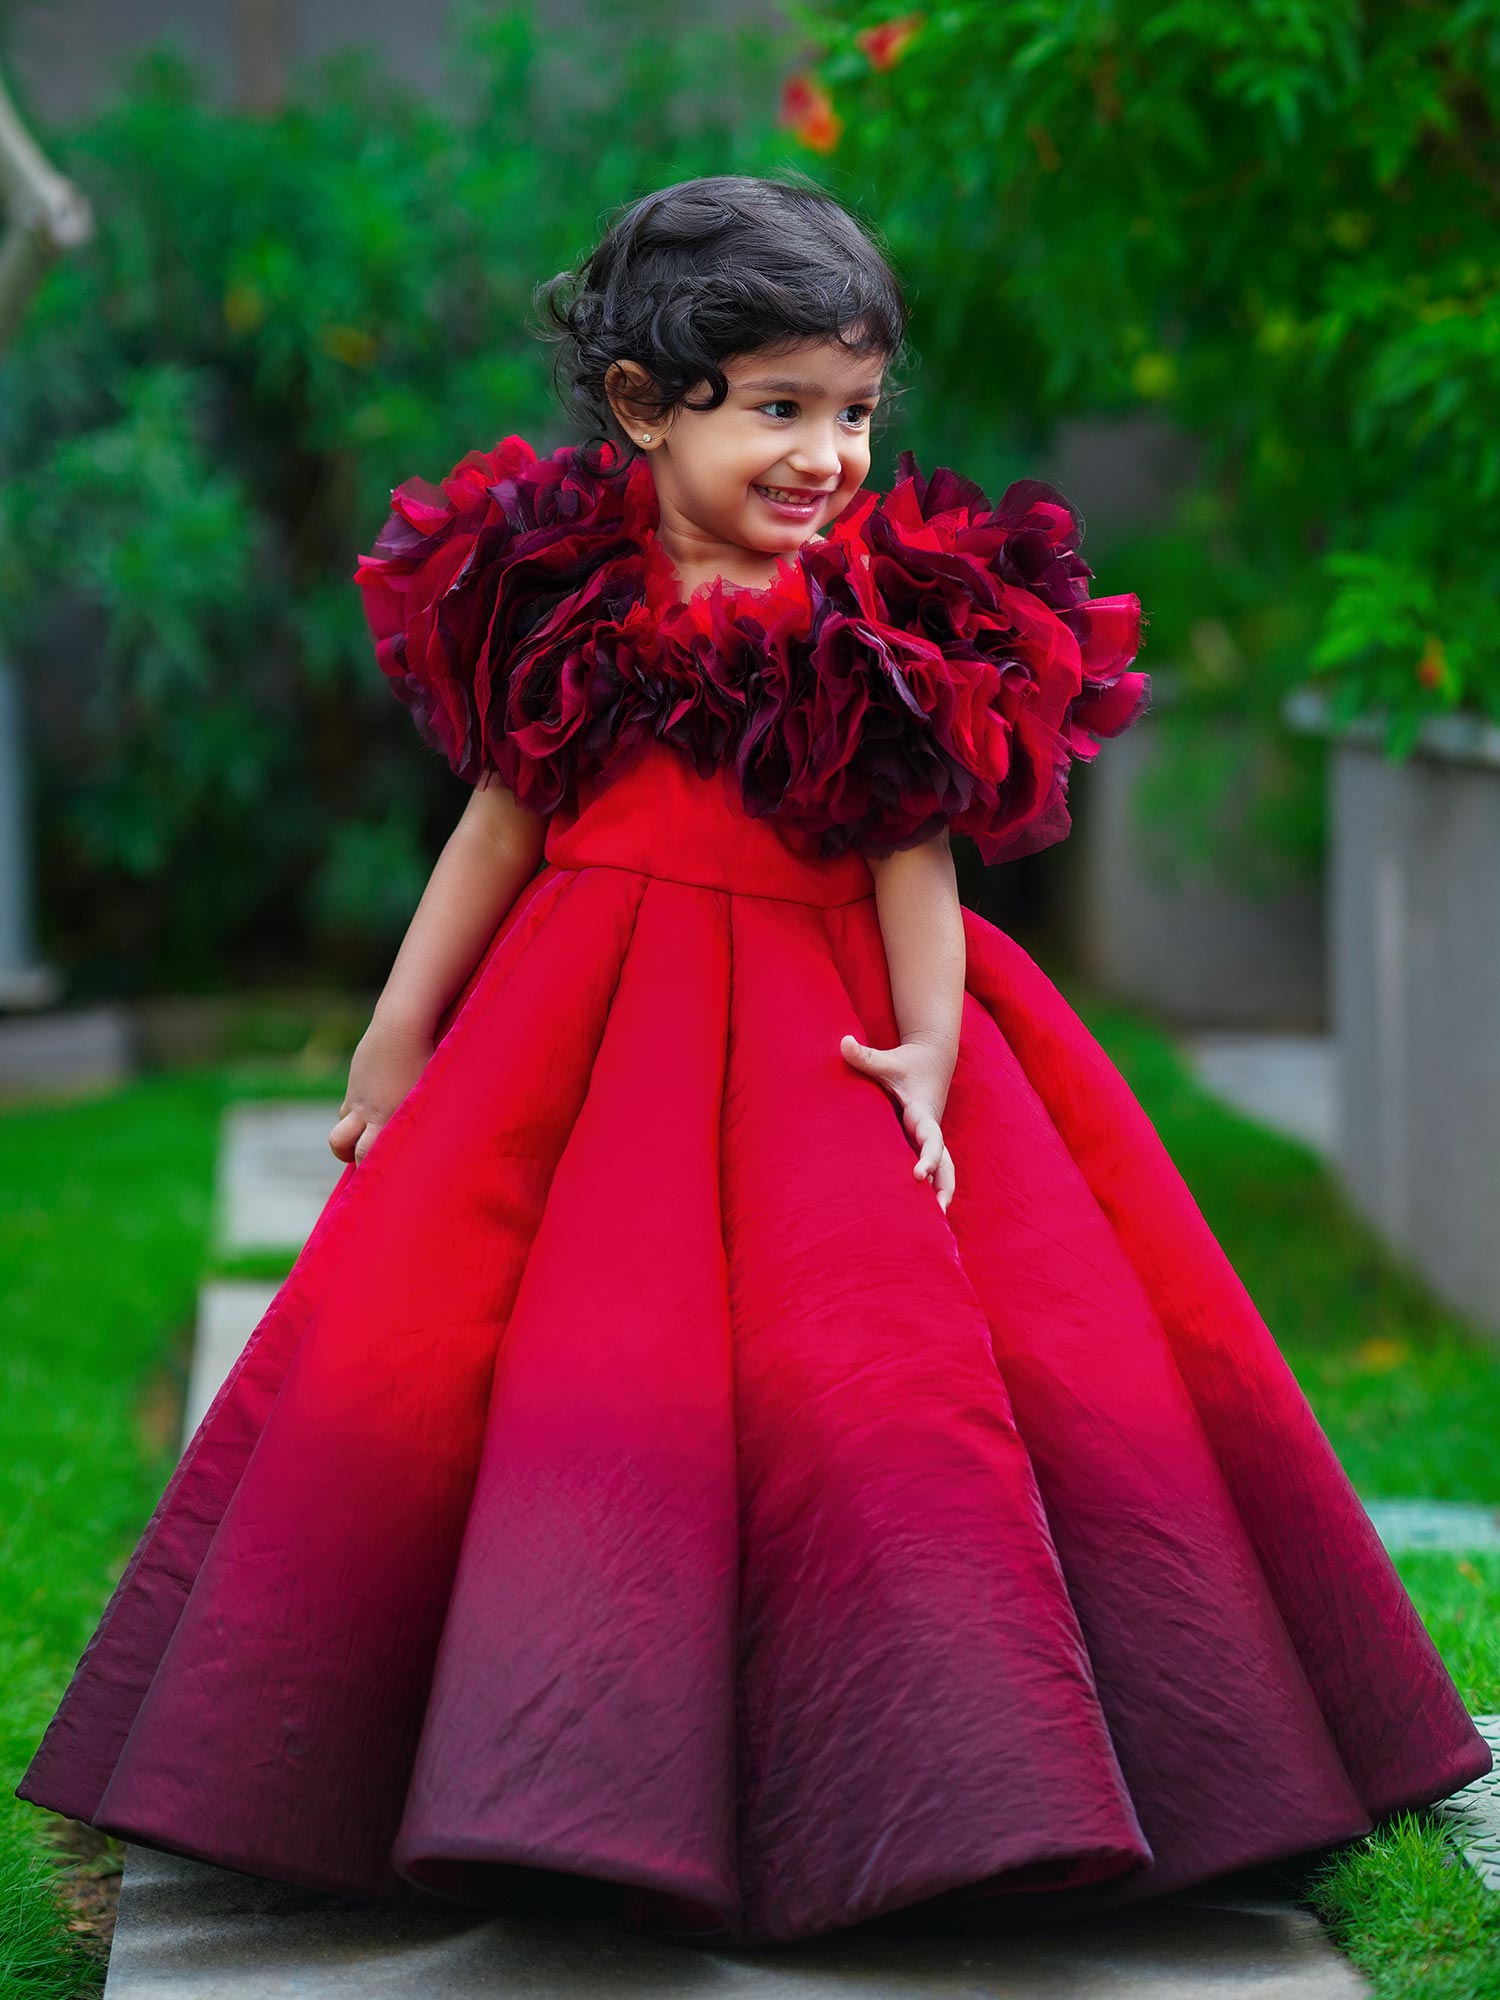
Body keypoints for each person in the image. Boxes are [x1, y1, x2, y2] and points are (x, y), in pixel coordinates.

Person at [15, 173, 1490, 1953]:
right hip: (588, 1035)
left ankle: (952, 1765)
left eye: (855, 412)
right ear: (645, 406)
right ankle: (537, 1756)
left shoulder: (872, 614)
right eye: (779, 409)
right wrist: (400, 1047)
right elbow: (494, 834)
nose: (828, 457)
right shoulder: (565, 605)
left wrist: (936, 1045)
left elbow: (915, 851)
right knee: (547, 1360)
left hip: (833, 1040)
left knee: (876, 1374)